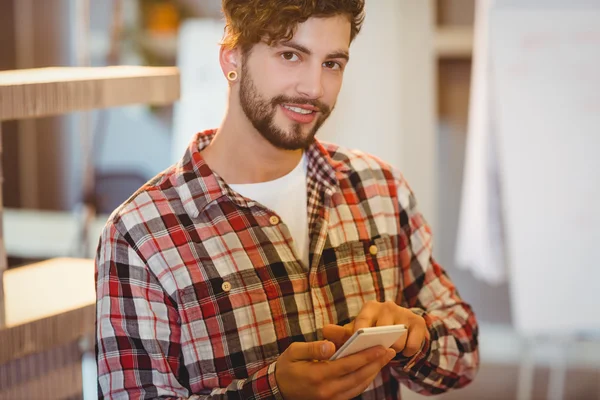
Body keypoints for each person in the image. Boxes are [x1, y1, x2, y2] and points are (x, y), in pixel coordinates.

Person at [95, 0, 479, 398]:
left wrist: (413, 336)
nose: (314, 87)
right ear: (233, 58)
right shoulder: (140, 234)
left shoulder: (378, 188)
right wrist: (273, 392)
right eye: (290, 55)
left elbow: (464, 352)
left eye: (332, 63)